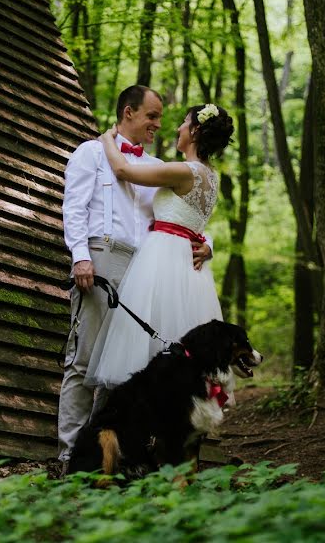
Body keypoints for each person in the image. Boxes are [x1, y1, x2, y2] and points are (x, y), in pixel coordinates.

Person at [58, 86, 212, 468]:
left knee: (123, 369)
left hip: (144, 270)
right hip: (101, 257)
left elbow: (182, 215)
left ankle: (104, 456)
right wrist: (80, 257)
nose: (159, 125)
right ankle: (69, 456)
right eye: (152, 116)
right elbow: (74, 208)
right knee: (84, 360)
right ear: (129, 112)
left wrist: (208, 244)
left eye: (162, 119)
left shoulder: (157, 165)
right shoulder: (91, 152)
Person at [85, 102, 234, 390]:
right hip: (191, 269)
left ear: (195, 131)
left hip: (163, 259)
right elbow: (193, 222)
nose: (177, 128)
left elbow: (123, 170)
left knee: (145, 343)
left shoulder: (184, 171)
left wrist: (106, 138)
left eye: (183, 122)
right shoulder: (211, 177)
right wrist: (210, 245)